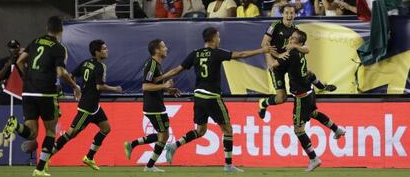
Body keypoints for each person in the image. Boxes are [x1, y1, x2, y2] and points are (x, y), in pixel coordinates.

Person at [156, 27, 274, 172]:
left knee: (200, 131)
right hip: (211, 96)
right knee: (228, 130)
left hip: (198, 96)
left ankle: (174, 146)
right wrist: (261, 51)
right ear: (212, 39)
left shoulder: (195, 53)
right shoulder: (216, 53)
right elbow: (241, 54)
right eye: (218, 37)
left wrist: (160, 79)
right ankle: (228, 165)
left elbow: (176, 70)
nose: (219, 39)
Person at [2, 16, 81, 177]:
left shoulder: (35, 41)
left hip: (28, 92)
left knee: (31, 133)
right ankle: (39, 169)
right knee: (51, 131)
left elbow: (19, 62)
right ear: (61, 30)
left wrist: (28, 78)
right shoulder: (59, 48)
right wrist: (75, 86)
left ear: (46, 28)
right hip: (46, 92)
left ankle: (15, 124)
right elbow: (61, 72)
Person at [269, 29, 345, 172]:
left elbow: (274, 66)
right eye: (291, 38)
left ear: (299, 42)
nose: (290, 40)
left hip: (301, 96)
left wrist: (271, 54)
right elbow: (309, 70)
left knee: (298, 130)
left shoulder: (291, 54)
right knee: (314, 113)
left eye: (293, 38)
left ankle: (313, 158)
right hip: (310, 92)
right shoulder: (300, 52)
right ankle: (337, 129)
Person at [49, 40, 123, 171]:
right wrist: (115, 89)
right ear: (97, 52)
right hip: (87, 108)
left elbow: (71, 75)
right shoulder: (100, 67)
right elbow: (99, 86)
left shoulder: (86, 63)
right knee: (70, 134)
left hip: (94, 106)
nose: (107, 50)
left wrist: (75, 87)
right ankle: (46, 158)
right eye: (104, 48)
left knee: (106, 128)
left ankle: (89, 157)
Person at [124, 39, 180, 172]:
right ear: (156, 50)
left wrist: (168, 90)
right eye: (163, 46)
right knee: (164, 136)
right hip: (154, 106)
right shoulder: (152, 65)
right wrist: (165, 85)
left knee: (162, 135)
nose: (166, 48)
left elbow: (153, 83)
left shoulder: (157, 65)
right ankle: (149, 166)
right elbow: (145, 86)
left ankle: (132, 145)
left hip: (154, 105)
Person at [0, 40, 22, 105]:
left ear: (19, 48)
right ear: (9, 49)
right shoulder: (3, 61)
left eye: (15, 48)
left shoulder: (22, 61)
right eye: (11, 48)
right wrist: (7, 66)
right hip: (5, 91)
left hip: (19, 91)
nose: (13, 50)